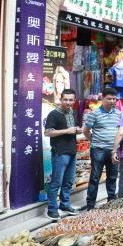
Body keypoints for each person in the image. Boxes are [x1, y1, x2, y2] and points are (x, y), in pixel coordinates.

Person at [44, 88, 83, 219]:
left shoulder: (74, 112)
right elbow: (47, 132)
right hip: (60, 152)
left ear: (74, 101)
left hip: (72, 151)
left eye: (71, 100)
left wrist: (78, 130)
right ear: (61, 99)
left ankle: (65, 205)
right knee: (56, 182)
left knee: (68, 182)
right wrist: (66, 131)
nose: (68, 102)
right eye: (65, 99)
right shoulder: (53, 114)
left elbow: (73, 130)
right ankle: (52, 209)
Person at [84, 87, 121, 210]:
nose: (112, 101)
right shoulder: (94, 114)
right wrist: (93, 141)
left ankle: (111, 202)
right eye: (109, 99)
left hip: (113, 151)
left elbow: (120, 131)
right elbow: (86, 131)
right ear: (102, 99)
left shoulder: (119, 114)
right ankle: (90, 205)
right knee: (95, 177)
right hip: (98, 150)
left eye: (114, 99)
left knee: (112, 177)